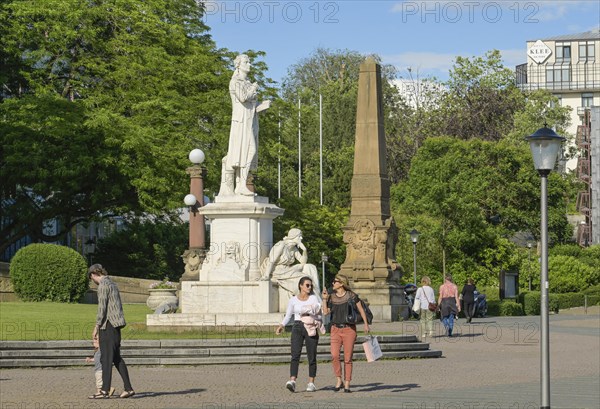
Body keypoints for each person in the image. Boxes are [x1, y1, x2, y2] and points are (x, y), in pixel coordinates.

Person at [221, 54, 270, 196]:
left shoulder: (247, 82)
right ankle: (241, 185)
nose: (249, 64)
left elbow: (249, 105)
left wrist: (262, 106)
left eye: (249, 62)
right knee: (247, 151)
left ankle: (241, 185)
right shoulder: (235, 81)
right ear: (238, 65)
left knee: (248, 151)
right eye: (246, 62)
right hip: (240, 121)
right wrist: (254, 87)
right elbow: (242, 97)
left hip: (250, 120)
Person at [89, 264, 135, 399]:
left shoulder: (103, 285)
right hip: (116, 325)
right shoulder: (112, 284)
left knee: (106, 358)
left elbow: (102, 308)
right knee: (116, 358)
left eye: (91, 277)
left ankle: (104, 390)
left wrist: (96, 326)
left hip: (108, 325)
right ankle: (129, 388)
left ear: (93, 275)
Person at [321, 274, 370, 393]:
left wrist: (366, 324)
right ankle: (339, 380)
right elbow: (325, 312)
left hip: (349, 330)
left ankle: (347, 383)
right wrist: (324, 299)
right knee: (334, 355)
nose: (333, 283)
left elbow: (361, 309)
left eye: (335, 281)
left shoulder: (351, 295)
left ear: (342, 283)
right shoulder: (331, 297)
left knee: (347, 358)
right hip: (335, 329)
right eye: (333, 281)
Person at [275, 277, 323, 393]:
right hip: (297, 326)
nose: (309, 287)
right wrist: (282, 325)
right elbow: (288, 315)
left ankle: (311, 383)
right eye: (307, 285)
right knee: (295, 355)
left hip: (310, 326)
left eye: (310, 285)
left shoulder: (313, 298)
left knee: (311, 356)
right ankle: (293, 381)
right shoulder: (293, 300)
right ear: (300, 285)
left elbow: (318, 310)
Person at [260, 228, 321, 299]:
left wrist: (304, 250)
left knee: (310, 267)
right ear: (293, 236)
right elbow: (271, 261)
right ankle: (313, 299)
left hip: (287, 270)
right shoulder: (281, 245)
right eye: (299, 236)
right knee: (305, 279)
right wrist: (266, 276)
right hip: (277, 271)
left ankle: (317, 296)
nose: (301, 238)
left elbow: (303, 262)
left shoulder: (293, 249)